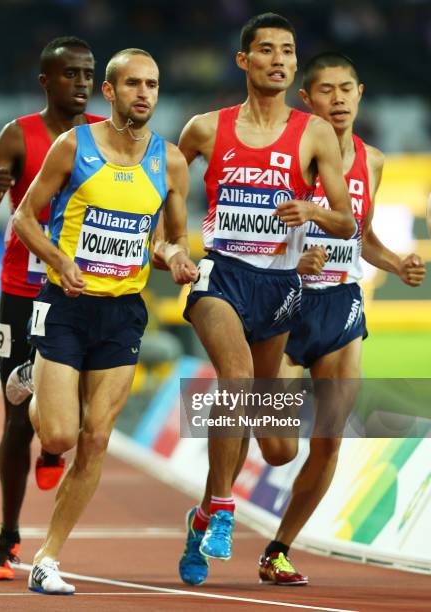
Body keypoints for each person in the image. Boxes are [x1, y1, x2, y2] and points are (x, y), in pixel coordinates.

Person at [176, 12, 356, 586]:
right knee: (235, 378)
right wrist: (173, 247)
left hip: (280, 288)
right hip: (222, 277)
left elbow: (347, 223)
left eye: (287, 50)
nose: (278, 59)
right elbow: (168, 195)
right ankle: (224, 512)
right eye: (266, 50)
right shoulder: (205, 128)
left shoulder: (314, 133)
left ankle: (202, 511)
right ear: (243, 61)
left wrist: (314, 213)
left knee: (277, 447)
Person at [13, 48, 197, 595]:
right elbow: (24, 217)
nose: (145, 93)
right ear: (110, 93)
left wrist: (175, 257)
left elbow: (171, 236)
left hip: (123, 312)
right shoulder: (75, 146)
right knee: (61, 433)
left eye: (154, 85)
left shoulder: (172, 162)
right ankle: (32, 374)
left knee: (95, 439)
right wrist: (61, 260)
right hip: (66, 303)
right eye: (133, 84)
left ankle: (48, 557)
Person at [258, 52, 426, 585]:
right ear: (306, 100)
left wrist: (395, 261)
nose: (337, 99)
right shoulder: (286, 153)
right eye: (325, 90)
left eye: (346, 89)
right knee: (278, 449)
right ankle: (215, 500)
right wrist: (291, 252)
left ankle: (278, 549)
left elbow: (362, 235)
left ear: (359, 95)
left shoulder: (373, 161)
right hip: (284, 301)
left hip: (341, 305)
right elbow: (252, 230)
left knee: (329, 439)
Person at [0, 36, 104, 581]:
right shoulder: (17, 136)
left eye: (89, 73)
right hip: (23, 293)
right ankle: (7, 539)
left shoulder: (103, 137)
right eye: (71, 74)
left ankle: (53, 450)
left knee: (79, 419)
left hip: (84, 291)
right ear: (47, 81)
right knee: (15, 419)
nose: (82, 82)